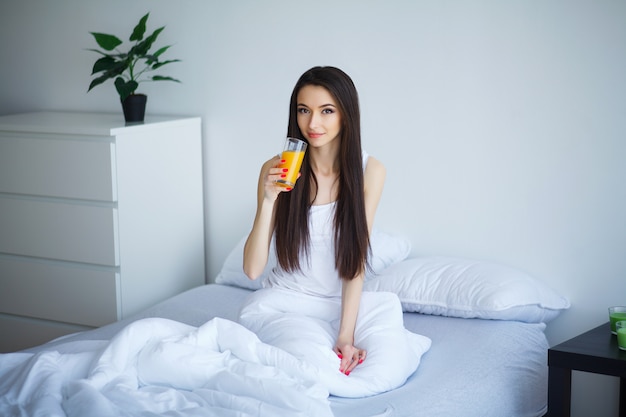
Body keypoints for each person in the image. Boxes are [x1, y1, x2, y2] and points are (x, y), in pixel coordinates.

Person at [241, 66, 385, 376]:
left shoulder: (369, 172)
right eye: (303, 110)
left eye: (327, 111)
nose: (313, 123)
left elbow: (354, 260)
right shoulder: (276, 167)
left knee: (391, 350)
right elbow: (252, 270)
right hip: (282, 305)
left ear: (346, 114)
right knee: (311, 366)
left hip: (334, 308)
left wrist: (346, 336)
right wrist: (268, 200)